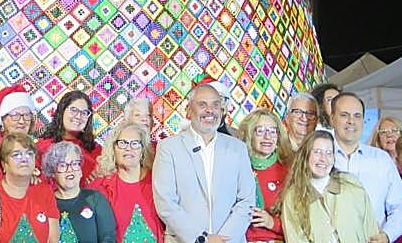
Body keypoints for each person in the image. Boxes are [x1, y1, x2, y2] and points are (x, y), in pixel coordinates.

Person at [152, 83, 254, 243]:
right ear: (189, 110)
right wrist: (203, 239)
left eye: (215, 105)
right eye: (202, 104)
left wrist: (223, 240)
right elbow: (166, 203)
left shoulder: (238, 148)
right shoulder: (168, 148)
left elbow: (246, 200)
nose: (210, 110)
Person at [329, 92, 402, 243]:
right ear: (332, 119)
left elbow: (401, 206)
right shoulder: (320, 158)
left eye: (357, 116)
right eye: (344, 115)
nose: (351, 121)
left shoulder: (381, 160)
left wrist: (387, 235)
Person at [278, 130, 380, 243]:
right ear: (305, 156)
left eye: (328, 153)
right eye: (317, 152)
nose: (323, 159)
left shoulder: (353, 185)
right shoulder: (293, 197)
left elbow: (371, 231)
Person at [0, 134, 60, 243]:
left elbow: (53, 239)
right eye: (17, 155)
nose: (24, 159)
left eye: (29, 154)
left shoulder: (45, 191)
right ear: (4, 164)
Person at [90, 122, 164, 243]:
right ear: (113, 148)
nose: (128, 148)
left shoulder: (159, 181)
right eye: (122, 143)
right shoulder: (100, 187)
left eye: (135, 143)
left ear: (143, 150)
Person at [235, 108, 291, 242]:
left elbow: (301, 222)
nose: (268, 137)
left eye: (273, 131)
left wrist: (272, 222)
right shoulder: (236, 167)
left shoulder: (289, 171)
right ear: (249, 135)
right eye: (260, 131)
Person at [43, 142, 116, 243]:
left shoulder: (95, 199)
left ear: (80, 171)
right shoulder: (45, 203)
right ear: (53, 173)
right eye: (62, 165)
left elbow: (108, 238)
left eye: (74, 164)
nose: (70, 170)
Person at [0, 84, 38, 185]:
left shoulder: (38, 151)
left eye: (26, 115)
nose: (22, 121)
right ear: (1, 121)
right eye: (15, 115)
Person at [38, 91, 103, 183]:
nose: (78, 116)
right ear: (62, 111)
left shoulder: (97, 150)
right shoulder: (43, 148)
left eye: (84, 112)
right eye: (73, 110)